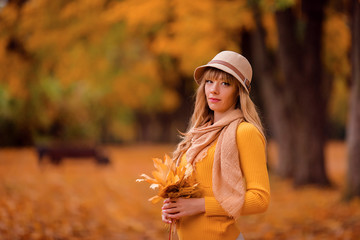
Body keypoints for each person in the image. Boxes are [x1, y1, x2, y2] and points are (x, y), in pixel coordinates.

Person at [161, 50, 270, 240]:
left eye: (225, 84)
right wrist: (173, 208)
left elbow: (260, 200)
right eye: (209, 81)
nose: (214, 90)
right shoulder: (199, 133)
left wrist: (200, 205)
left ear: (238, 91)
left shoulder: (245, 132)